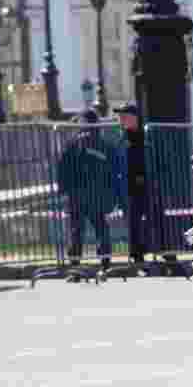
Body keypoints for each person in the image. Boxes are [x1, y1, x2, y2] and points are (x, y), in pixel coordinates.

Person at [56, 109, 123, 270]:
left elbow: (63, 169)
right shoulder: (105, 146)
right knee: (100, 227)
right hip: (96, 195)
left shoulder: (72, 144)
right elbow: (114, 173)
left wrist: (63, 190)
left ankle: (74, 262)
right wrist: (112, 195)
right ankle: (105, 261)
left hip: (77, 194)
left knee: (77, 229)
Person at [114, 102, 149, 264]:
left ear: (134, 118)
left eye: (124, 116)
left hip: (146, 188)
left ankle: (164, 253)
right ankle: (137, 256)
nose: (120, 119)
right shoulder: (122, 137)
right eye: (119, 116)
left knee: (152, 221)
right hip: (127, 188)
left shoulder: (146, 135)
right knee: (132, 223)